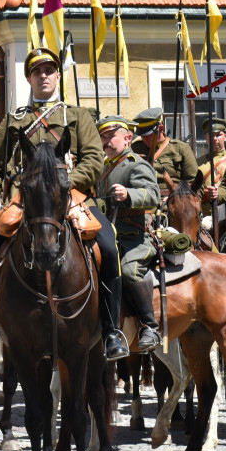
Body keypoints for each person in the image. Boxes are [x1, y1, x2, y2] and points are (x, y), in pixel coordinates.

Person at [0, 48, 130, 363]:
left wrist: (65, 183)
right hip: (26, 199)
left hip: (70, 196)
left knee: (109, 245)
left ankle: (112, 330)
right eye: (37, 72)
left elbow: (94, 159)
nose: (43, 76)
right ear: (30, 78)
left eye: (49, 70)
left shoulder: (76, 116)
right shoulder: (16, 119)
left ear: (58, 76)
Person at [96, 115, 162, 352]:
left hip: (133, 236)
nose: (105, 141)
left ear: (127, 138)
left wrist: (129, 195)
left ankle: (150, 327)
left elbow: (153, 195)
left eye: (110, 136)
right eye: (102, 136)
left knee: (128, 269)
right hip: (105, 233)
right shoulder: (103, 167)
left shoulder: (136, 164)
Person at [131, 107, 201, 196]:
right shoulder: (135, 148)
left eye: (148, 135)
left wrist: (176, 197)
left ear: (161, 128)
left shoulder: (180, 148)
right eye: (142, 135)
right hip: (143, 200)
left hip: (173, 201)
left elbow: (193, 182)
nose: (144, 138)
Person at [198, 117, 226, 223]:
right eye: (211, 135)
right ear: (206, 138)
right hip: (203, 216)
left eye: (218, 135)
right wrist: (204, 194)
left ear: (225, 137)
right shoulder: (197, 163)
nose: (215, 139)